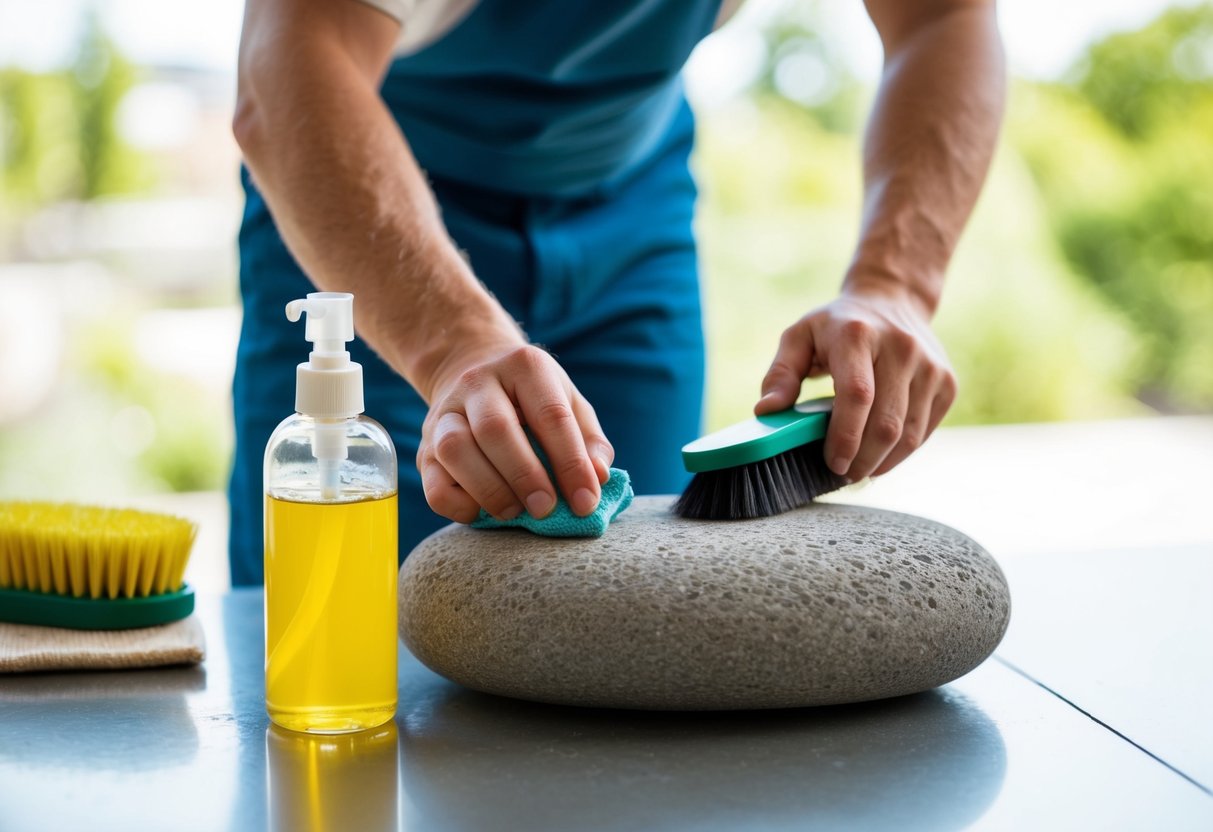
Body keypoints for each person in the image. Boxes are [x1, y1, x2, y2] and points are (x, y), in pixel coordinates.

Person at [228, 0, 1005, 585]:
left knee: (640, 609)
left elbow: (942, 16)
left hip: (630, 204)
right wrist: (451, 341)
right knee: (337, 607)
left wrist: (895, 283)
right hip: (364, 219)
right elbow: (292, 60)